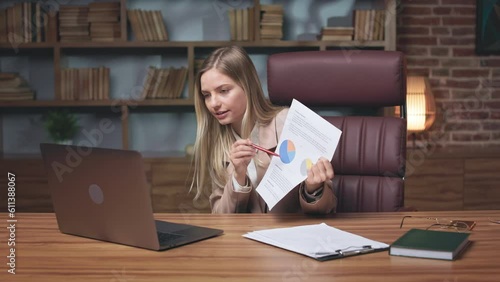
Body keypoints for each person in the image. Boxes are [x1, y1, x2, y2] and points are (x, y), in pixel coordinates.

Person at [191, 45, 336, 214]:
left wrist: (313, 188)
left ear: (248, 87)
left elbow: (328, 207)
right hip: (244, 237)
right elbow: (220, 216)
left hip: (290, 235)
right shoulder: (217, 141)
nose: (213, 103)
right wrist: (238, 177)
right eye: (206, 95)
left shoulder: (288, 123)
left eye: (223, 91)